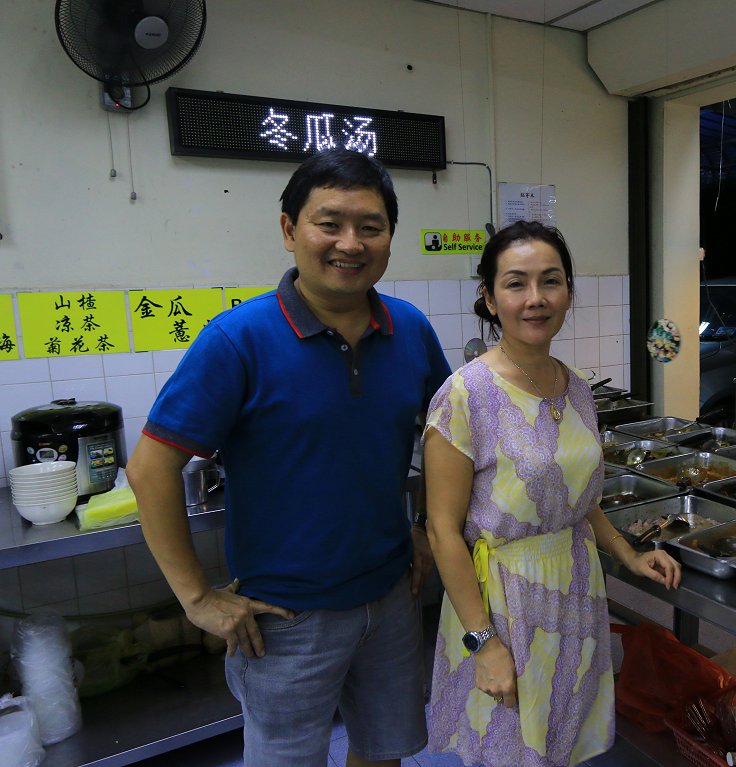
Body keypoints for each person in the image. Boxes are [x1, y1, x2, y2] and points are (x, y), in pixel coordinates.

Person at [125, 148, 451, 767]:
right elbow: (149, 468)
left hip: (389, 597)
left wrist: (426, 527)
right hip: (284, 618)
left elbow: (446, 439)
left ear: (389, 238)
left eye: (371, 227)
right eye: (329, 223)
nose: (349, 243)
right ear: (288, 230)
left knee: (384, 752)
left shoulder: (409, 330)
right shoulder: (237, 340)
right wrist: (197, 597)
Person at [422, 220, 681, 767]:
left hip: (575, 590)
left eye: (551, 281)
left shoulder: (577, 387)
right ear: (489, 300)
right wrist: (482, 642)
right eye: (516, 284)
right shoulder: (465, 395)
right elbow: (441, 530)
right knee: (509, 748)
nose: (535, 299)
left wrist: (627, 552)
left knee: (561, 738)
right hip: (504, 603)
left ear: (568, 293)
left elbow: (580, 499)